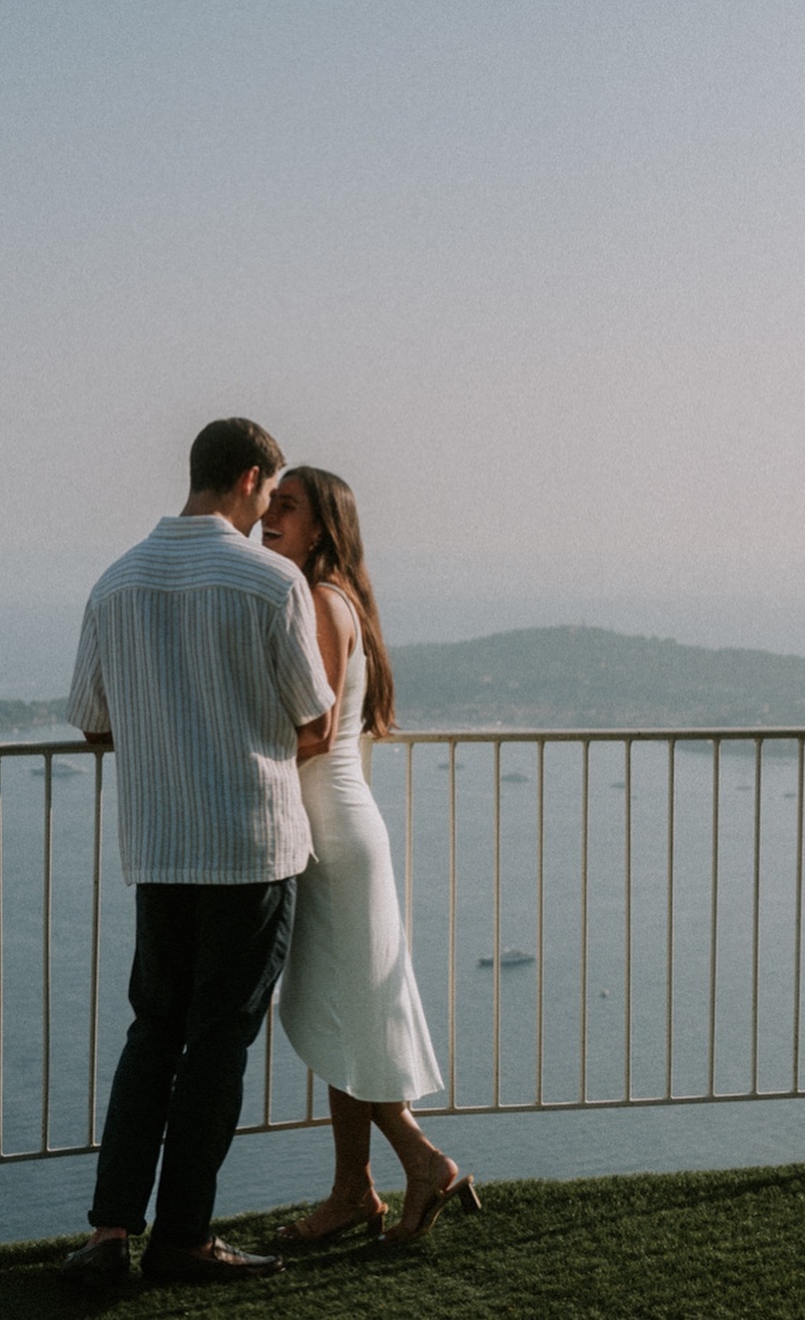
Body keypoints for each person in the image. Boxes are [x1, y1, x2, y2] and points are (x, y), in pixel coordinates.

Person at [60, 418, 336, 1287]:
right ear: (251, 478)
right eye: (269, 491)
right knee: (219, 1044)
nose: (267, 510)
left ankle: (109, 1234)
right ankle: (183, 1235)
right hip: (249, 845)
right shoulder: (270, 581)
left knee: (154, 1032)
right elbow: (317, 718)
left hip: (161, 843)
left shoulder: (115, 582)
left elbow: (94, 719)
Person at [261, 466, 479, 1247]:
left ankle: (422, 1162)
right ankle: (354, 1190)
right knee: (345, 1013)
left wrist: (232, 754)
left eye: (286, 507)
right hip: (341, 831)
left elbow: (315, 732)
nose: (266, 516)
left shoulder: (318, 599)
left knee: (340, 1012)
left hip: (335, 839)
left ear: (321, 527)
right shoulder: (340, 597)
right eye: (269, 502)